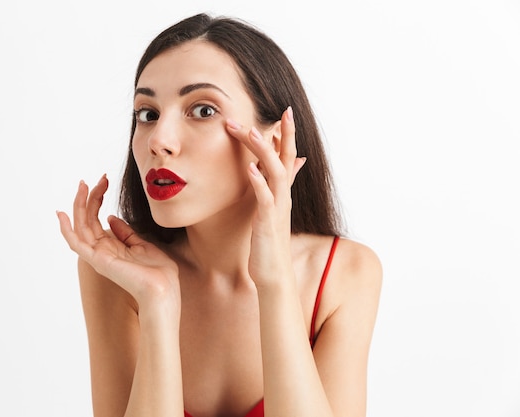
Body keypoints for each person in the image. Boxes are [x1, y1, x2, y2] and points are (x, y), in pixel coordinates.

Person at [57, 12, 382, 417]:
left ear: (274, 141)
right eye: (148, 113)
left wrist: (275, 281)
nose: (159, 140)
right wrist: (158, 304)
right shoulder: (117, 274)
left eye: (203, 110)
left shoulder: (344, 274)